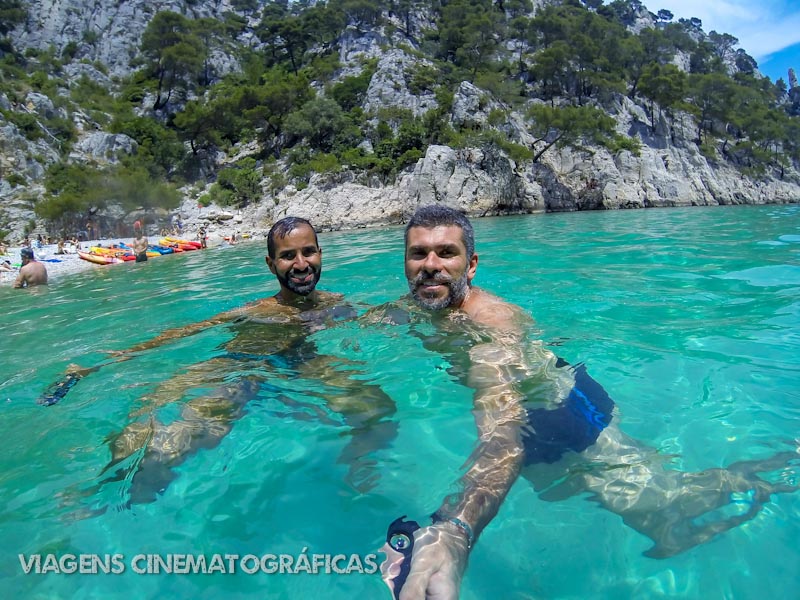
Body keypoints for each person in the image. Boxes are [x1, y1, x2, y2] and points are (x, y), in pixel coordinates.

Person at [378, 205, 798, 599]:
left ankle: (771, 471)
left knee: (663, 497)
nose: (430, 264)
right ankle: (683, 524)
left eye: (446, 253)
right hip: (538, 414)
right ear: (405, 263)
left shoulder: (491, 322)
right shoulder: (419, 306)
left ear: (471, 264)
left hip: (562, 411)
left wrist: (456, 530)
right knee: (648, 513)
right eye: (418, 254)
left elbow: (503, 425)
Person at [57, 217, 395, 504]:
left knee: (376, 407)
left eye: (308, 252)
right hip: (239, 368)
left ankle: (353, 477)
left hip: (303, 366)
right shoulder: (257, 310)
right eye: (288, 256)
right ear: (270, 264)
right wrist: (103, 362)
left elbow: (370, 322)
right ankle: (103, 495)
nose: (301, 264)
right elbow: (181, 333)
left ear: (320, 253)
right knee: (156, 432)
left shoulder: (338, 304)